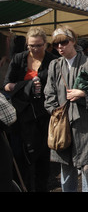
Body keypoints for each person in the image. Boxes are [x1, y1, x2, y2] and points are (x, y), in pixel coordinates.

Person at [44, 26, 88, 192]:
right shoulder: (54, 65)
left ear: (73, 41)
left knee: (87, 167)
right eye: (56, 44)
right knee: (66, 166)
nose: (60, 47)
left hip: (86, 124)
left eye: (64, 42)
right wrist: (54, 111)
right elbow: (49, 93)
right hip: (62, 124)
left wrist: (83, 94)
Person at [3, 26, 58, 192]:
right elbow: (6, 85)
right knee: (20, 156)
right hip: (20, 115)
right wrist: (27, 86)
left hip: (43, 115)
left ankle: (42, 188)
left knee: (42, 157)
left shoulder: (53, 61)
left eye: (38, 45)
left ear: (45, 44)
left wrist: (18, 87)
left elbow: (55, 88)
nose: (34, 49)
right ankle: (24, 188)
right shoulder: (19, 58)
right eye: (31, 45)